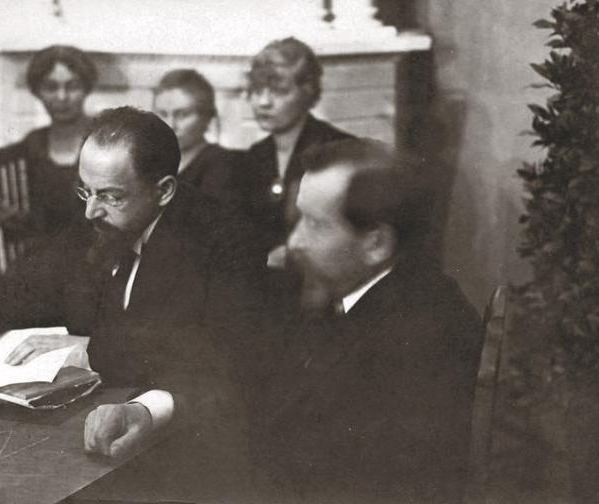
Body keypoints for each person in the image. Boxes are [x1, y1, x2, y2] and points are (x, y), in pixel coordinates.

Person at [0, 107, 266, 500]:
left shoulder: (226, 243)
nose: (90, 210)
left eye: (109, 196)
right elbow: (34, 281)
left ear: (164, 191)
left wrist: (96, 353)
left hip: (186, 452)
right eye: (84, 191)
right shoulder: (102, 212)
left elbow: (216, 360)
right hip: (89, 423)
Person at [253, 138, 484, 503]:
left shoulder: (424, 337)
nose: (294, 243)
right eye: (297, 220)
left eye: (315, 225)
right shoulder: (354, 298)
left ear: (376, 244)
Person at [240, 36, 354, 258]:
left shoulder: (338, 150)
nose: (264, 102)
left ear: (307, 92)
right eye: (257, 90)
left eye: (279, 91)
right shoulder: (256, 155)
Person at [0, 45, 98, 241]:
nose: (62, 97)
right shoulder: (34, 143)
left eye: (72, 86)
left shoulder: (104, 139)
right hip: (45, 252)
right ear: (37, 92)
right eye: (51, 87)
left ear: (86, 89)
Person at [152, 69, 243, 205]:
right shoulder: (149, 165)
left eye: (182, 115)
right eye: (162, 114)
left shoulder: (223, 165)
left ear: (206, 117)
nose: (170, 125)